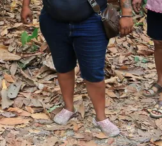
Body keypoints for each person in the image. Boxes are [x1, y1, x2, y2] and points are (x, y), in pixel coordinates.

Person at [22, 0, 134, 137]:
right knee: (63, 66)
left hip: (91, 20)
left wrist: (127, 14)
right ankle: (68, 107)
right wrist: (26, 6)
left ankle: (101, 118)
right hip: (53, 21)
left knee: (93, 72)